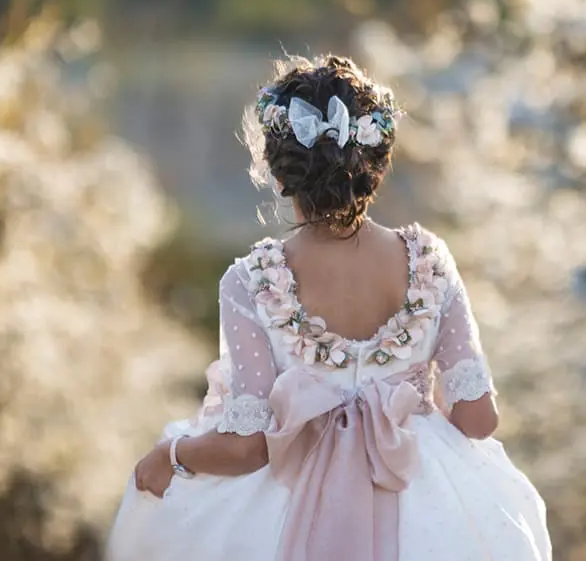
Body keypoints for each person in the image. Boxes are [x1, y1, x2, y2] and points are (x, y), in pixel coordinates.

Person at [106, 55, 551, 561]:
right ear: (376, 165)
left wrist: (171, 456)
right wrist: (412, 423)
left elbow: (247, 445)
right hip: (422, 506)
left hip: (282, 500)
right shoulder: (430, 263)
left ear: (277, 171)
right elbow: (477, 418)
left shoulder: (249, 281)